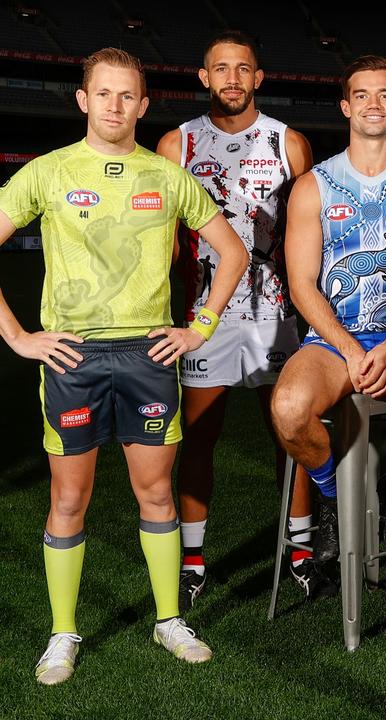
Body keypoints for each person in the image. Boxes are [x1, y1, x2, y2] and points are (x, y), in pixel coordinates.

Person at [0, 48, 247, 684]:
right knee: (68, 497)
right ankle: (63, 633)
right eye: (102, 93)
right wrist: (20, 338)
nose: (114, 105)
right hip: (71, 355)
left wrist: (199, 328)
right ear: (83, 100)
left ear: (143, 104)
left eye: (126, 95)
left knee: (157, 491)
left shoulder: (168, 178)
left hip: (146, 354)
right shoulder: (48, 172)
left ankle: (170, 620)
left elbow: (233, 251)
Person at [156, 30, 322, 609]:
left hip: (276, 312)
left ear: (258, 77)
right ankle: (194, 561)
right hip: (208, 317)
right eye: (220, 68)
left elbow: (309, 238)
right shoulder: (176, 144)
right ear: (203, 78)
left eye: (242, 68)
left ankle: (301, 553)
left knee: (290, 435)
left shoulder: (289, 142)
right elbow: (168, 240)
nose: (231, 78)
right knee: (199, 439)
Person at [270, 56, 386, 563]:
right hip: (331, 341)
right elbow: (302, 283)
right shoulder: (314, 186)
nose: (374, 104)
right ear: (346, 106)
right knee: (287, 411)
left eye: (385, 95)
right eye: (363, 95)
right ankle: (332, 498)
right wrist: (349, 349)